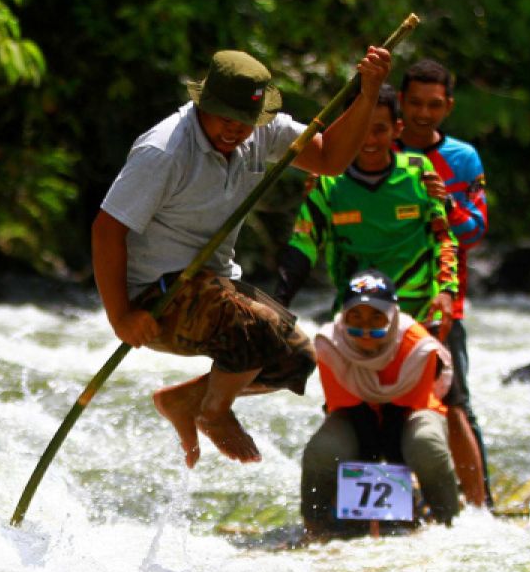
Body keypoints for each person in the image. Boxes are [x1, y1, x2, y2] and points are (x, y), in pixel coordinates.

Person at [92, 47, 392, 468]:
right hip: (156, 300)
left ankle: (187, 401)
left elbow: (329, 160)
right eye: (225, 119)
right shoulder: (164, 150)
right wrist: (120, 317)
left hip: (215, 289)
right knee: (254, 327)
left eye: (245, 122)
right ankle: (213, 413)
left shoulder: (261, 132)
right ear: (203, 106)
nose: (235, 131)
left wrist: (368, 94)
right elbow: (108, 230)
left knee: (295, 360)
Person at [273, 83, 458, 323]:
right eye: (361, 130)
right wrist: (278, 302)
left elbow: (443, 237)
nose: (369, 140)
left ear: (397, 129)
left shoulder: (419, 172)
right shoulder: (328, 183)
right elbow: (304, 244)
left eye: (379, 130)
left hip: (418, 315)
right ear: (348, 128)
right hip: (354, 315)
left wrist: (446, 291)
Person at [301, 269, 459, 538]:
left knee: (425, 445)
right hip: (356, 416)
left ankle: (446, 520)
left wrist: (400, 484)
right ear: (344, 315)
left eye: (376, 316)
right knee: (321, 450)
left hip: (412, 413)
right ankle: (315, 525)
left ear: (392, 316)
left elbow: (401, 414)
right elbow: (354, 412)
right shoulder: (330, 344)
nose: (365, 328)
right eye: (356, 316)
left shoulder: (419, 347)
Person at [396, 59, 491, 504]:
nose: (422, 113)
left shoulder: (463, 159)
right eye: (414, 102)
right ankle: (391, 505)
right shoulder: (378, 146)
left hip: (443, 304)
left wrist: (445, 205)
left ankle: (480, 505)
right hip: (381, 301)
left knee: (455, 406)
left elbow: (474, 230)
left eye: (434, 105)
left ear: (448, 106)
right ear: (400, 101)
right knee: (381, 408)